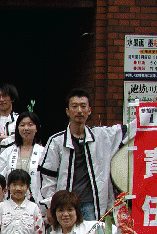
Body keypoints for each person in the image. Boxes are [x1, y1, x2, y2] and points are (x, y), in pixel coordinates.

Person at [38, 88, 135, 220]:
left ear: (89, 110)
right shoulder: (56, 141)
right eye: (74, 106)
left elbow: (130, 129)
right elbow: (47, 177)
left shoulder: (102, 136)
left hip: (92, 205)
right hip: (66, 206)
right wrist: (50, 205)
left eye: (83, 106)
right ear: (67, 111)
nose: (79, 110)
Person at [0, 112, 45, 212]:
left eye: (30, 125)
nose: (26, 128)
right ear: (17, 128)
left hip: (36, 203)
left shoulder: (43, 152)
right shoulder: (8, 151)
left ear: (36, 128)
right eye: (22, 125)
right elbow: (1, 178)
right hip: (11, 202)